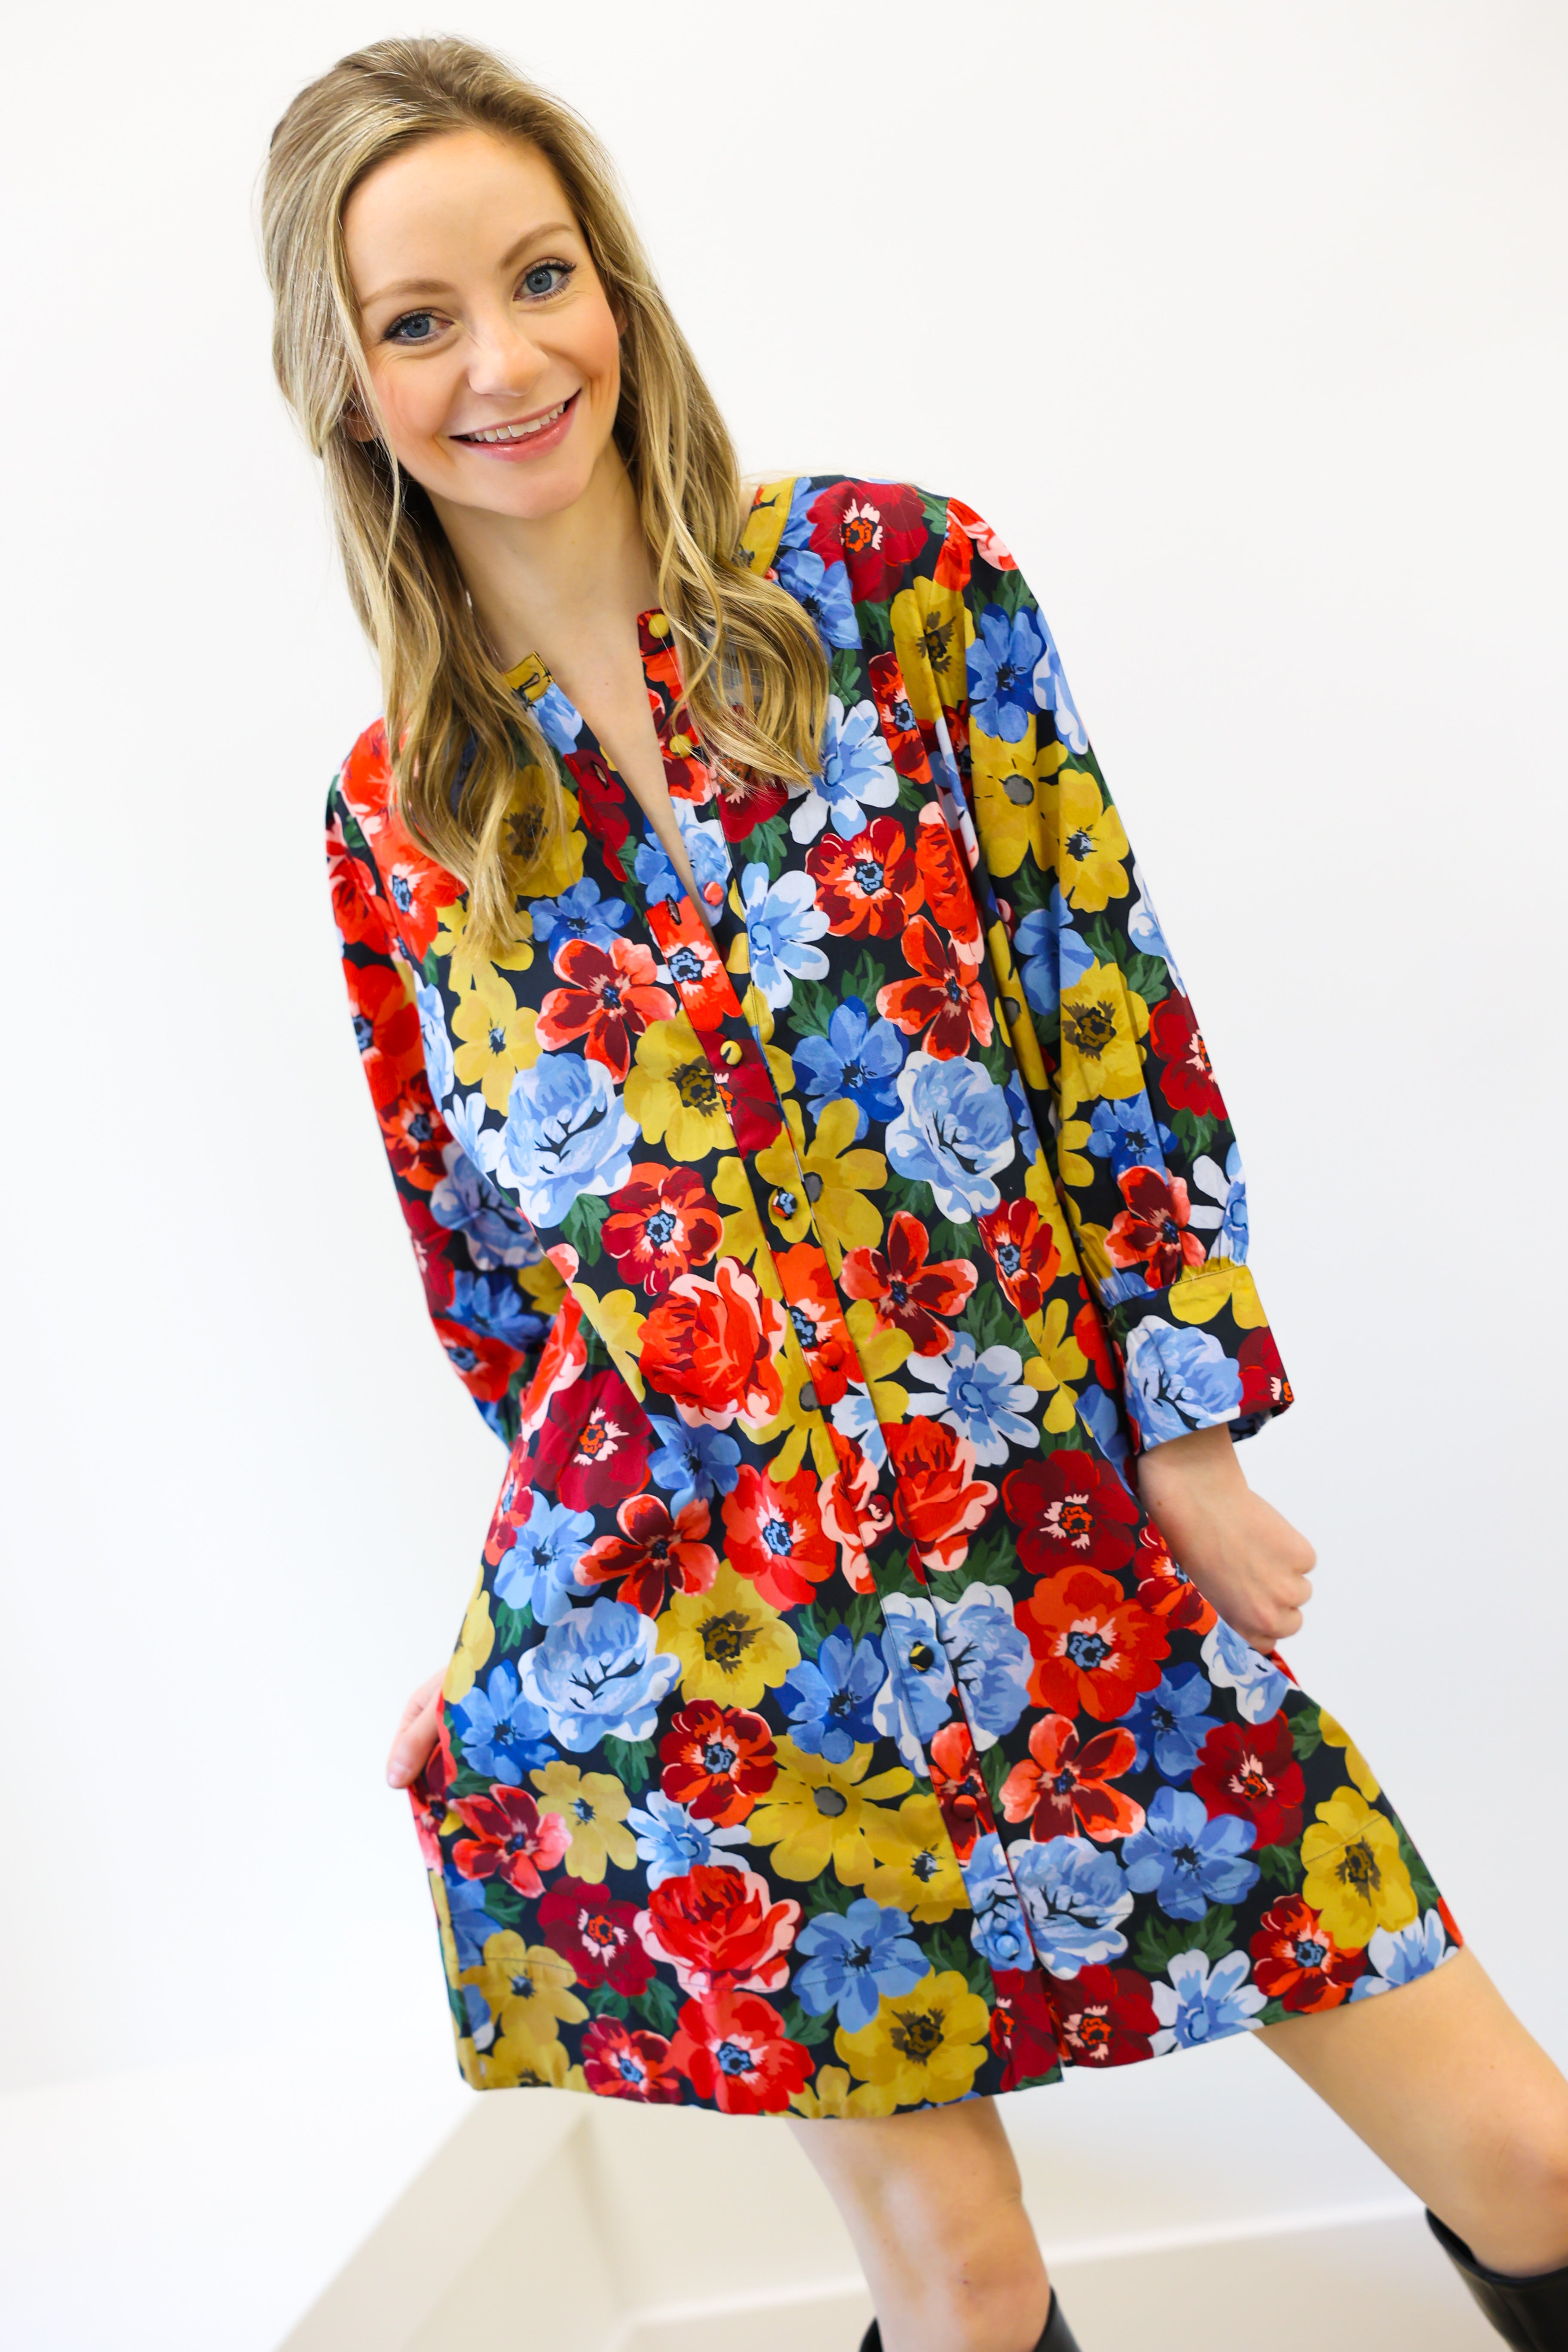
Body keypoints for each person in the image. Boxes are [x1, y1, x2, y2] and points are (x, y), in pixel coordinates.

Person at [262, 37, 1568, 2352]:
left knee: (1530, 2159)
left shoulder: (897, 584)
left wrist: (1180, 1434)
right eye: (420, 317)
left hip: (1055, 1547)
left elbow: (1108, 1029)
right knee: (961, 2292)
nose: (505, 358)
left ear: (616, 288)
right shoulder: (401, 817)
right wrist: (503, 1644)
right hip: (736, 1651)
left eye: (540, 275)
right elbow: (510, 1304)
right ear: (347, 384)